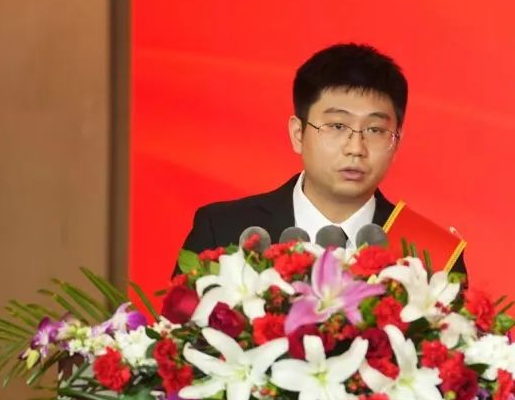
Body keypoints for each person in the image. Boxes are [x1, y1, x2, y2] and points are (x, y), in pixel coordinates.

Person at [176, 42, 465, 276]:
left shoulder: (431, 255)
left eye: (375, 130)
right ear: (298, 134)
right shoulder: (224, 231)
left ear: (396, 141)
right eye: (337, 126)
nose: (355, 148)